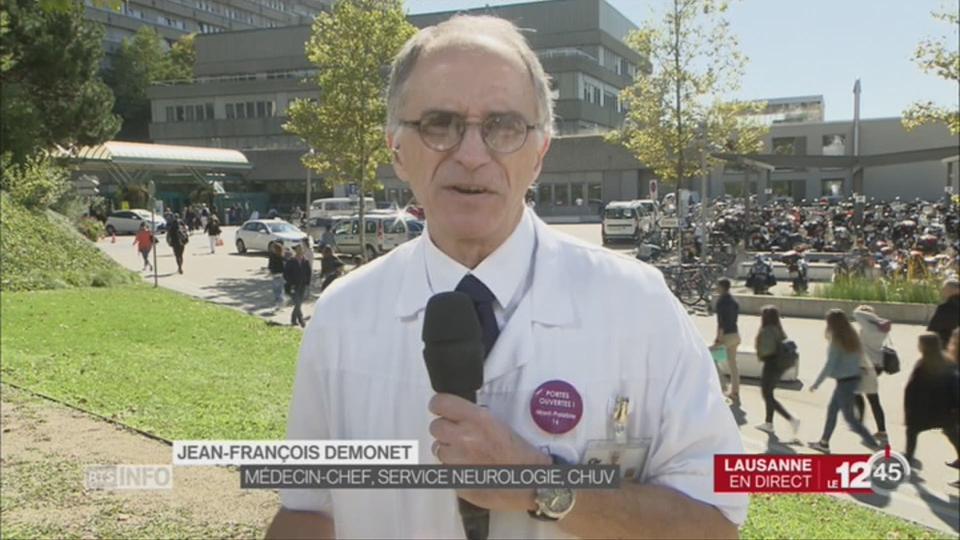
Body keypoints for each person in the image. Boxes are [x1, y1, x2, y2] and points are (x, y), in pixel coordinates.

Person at [267, 15, 746, 539]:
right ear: (395, 149)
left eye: (504, 127)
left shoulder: (639, 307)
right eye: (438, 124)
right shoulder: (343, 314)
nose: (472, 155)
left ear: (539, 153)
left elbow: (714, 523)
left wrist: (540, 485)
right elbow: (308, 510)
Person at [809, 309, 880, 453]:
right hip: (852, 379)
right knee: (832, 411)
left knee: (850, 419)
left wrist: (816, 384)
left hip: (844, 383)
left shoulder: (837, 340)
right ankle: (824, 442)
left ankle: (874, 445)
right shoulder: (851, 336)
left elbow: (830, 365)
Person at [903, 332, 960, 476]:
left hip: (924, 411)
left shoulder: (922, 364)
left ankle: (907, 461)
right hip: (944, 411)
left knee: (912, 433)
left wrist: (908, 411)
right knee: (953, 436)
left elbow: (911, 389)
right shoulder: (948, 361)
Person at [754, 306, 799, 437]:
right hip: (779, 365)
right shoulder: (778, 329)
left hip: (771, 364)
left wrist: (760, 350)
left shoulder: (767, 330)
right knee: (769, 394)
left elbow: (766, 350)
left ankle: (790, 419)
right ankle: (769, 423)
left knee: (767, 395)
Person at [851, 305, 890, 444]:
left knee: (862, 395)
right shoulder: (881, 329)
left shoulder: (869, 329)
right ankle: (879, 429)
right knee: (868, 396)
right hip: (876, 366)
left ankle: (877, 429)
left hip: (865, 366)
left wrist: (865, 312)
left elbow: (856, 313)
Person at [713, 278, 741, 403]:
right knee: (733, 365)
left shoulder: (721, 302)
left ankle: (722, 387)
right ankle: (735, 392)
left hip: (726, 337)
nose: (716, 288)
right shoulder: (734, 301)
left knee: (712, 359)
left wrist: (718, 338)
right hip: (735, 335)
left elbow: (721, 323)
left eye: (717, 286)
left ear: (722, 287)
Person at [284, 244, 311, 327]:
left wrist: (307, 282)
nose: (300, 251)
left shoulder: (305, 261)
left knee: (298, 303)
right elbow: (286, 274)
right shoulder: (291, 261)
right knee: (297, 302)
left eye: (301, 250)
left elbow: (309, 273)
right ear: (296, 251)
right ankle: (300, 319)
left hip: (302, 285)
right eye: (298, 250)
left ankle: (295, 320)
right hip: (293, 286)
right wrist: (290, 282)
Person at [927, 278, 960, 345]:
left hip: (949, 347)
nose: (943, 292)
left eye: (945, 289)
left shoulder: (945, 308)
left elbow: (932, 329)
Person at [267, 242, 286, 309]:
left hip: (275, 274)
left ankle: (278, 302)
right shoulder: (281, 256)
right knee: (280, 289)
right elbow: (284, 266)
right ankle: (281, 302)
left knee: (276, 290)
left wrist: (269, 271)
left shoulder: (273, 256)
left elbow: (270, 265)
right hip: (281, 274)